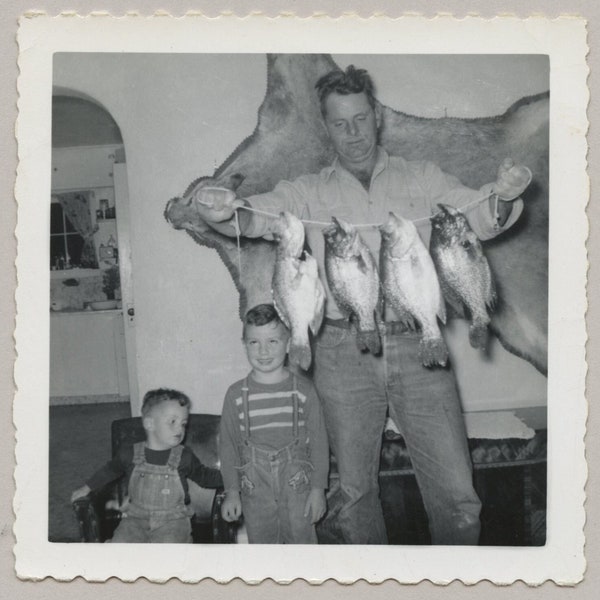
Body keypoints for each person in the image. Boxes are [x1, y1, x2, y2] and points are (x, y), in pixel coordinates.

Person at [194, 65, 532, 544]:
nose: (352, 133)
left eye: (360, 119)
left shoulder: (423, 177)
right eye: (339, 123)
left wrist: (504, 195)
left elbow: (478, 212)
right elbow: (259, 216)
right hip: (337, 352)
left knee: (457, 494)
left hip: (420, 345)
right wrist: (225, 209)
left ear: (376, 116)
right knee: (352, 497)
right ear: (327, 127)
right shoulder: (307, 191)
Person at [219, 303, 329, 543]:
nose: (263, 351)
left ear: (289, 342)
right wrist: (232, 492)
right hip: (254, 490)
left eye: (273, 342)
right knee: (263, 556)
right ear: (244, 344)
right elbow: (228, 448)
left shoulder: (304, 390)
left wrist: (318, 489)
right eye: (254, 342)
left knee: (303, 554)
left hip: (298, 487)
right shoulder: (235, 394)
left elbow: (320, 443)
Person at [71, 388, 223, 543]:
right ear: (150, 424)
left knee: (168, 556)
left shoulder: (184, 456)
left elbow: (205, 476)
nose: (180, 429)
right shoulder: (129, 453)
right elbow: (110, 470)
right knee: (119, 550)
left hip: (173, 522)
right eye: (172, 421)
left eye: (183, 423)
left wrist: (234, 478)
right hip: (135, 519)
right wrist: (87, 488)